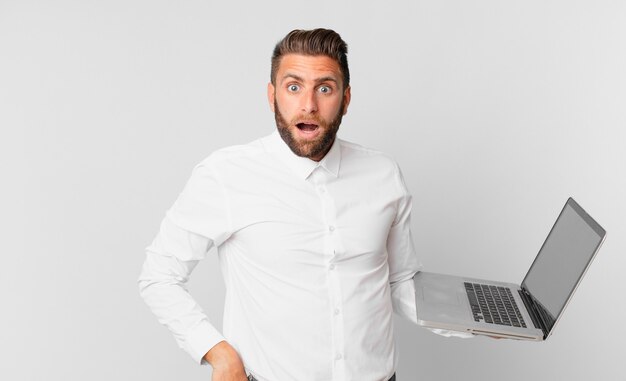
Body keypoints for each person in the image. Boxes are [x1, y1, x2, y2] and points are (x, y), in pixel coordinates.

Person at [139, 28, 458, 381]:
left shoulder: (383, 174)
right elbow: (159, 276)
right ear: (272, 96)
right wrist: (218, 352)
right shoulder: (226, 174)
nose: (308, 105)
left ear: (346, 99)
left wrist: (469, 316)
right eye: (294, 87)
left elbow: (399, 281)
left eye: (325, 88)